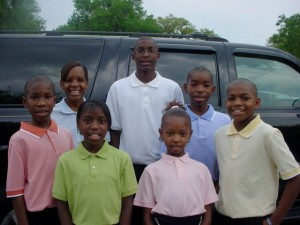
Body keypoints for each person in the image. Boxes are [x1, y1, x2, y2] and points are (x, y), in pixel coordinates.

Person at [106, 36, 184, 225]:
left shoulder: (171, 87)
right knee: (129, 215)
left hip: (163, 165)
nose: (145, 54)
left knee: (159, 215)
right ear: (133, 56)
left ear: (158, 56)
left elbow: (179, 127)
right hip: (128, 167)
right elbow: (114, 131)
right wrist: (118, 165)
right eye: (140, 50)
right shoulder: (118, 88)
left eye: (150, 50)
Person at [213, 78, 300, 225]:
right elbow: (224, 176)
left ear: (257, 103)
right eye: (231, 98)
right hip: (222, 216)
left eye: (245, 98)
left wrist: (274, 220)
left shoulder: (269, 134)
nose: (237, 103)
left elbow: (295, 178)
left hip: (257, 218)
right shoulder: (220, 135)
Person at [52, 99, 138, 225]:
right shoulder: (65, 161)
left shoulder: (122, 159)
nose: (94, 126)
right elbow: (61, 205)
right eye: (87, 121)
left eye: (101, 121)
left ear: (108, 125)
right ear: (78, 125)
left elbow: (127, 203)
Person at [134, 101, 218, 225]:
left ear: (190, 135)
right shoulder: (151, 171)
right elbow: (146, 213)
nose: (176, 139)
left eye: (182, 134)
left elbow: (208, 211)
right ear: (161, 134)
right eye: (170, 133)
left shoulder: (201, 169)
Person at [6, 75, 73, 225]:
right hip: (37, 216)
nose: (41, 103)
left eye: (47, 97)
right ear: (25, 102)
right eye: (35, 97)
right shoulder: (19, 140)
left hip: (65, 212)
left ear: (54, 100)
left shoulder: (65, 135)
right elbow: (15, 191)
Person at [183, 67, 231, 181]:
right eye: (194, 84)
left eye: (206, 85)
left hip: (214, 185)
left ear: (213, 89)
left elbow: (227, 158)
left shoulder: (224, 120)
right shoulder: (177, 118)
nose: (200, 90)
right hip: (182, 185)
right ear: (185, 87)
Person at [51, 60, 88, 147]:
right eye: (68, 80)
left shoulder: (95, 112)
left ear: (86, 84)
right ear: (61, 84)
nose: (74, 84)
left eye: (80, 80)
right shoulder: (52, 115)